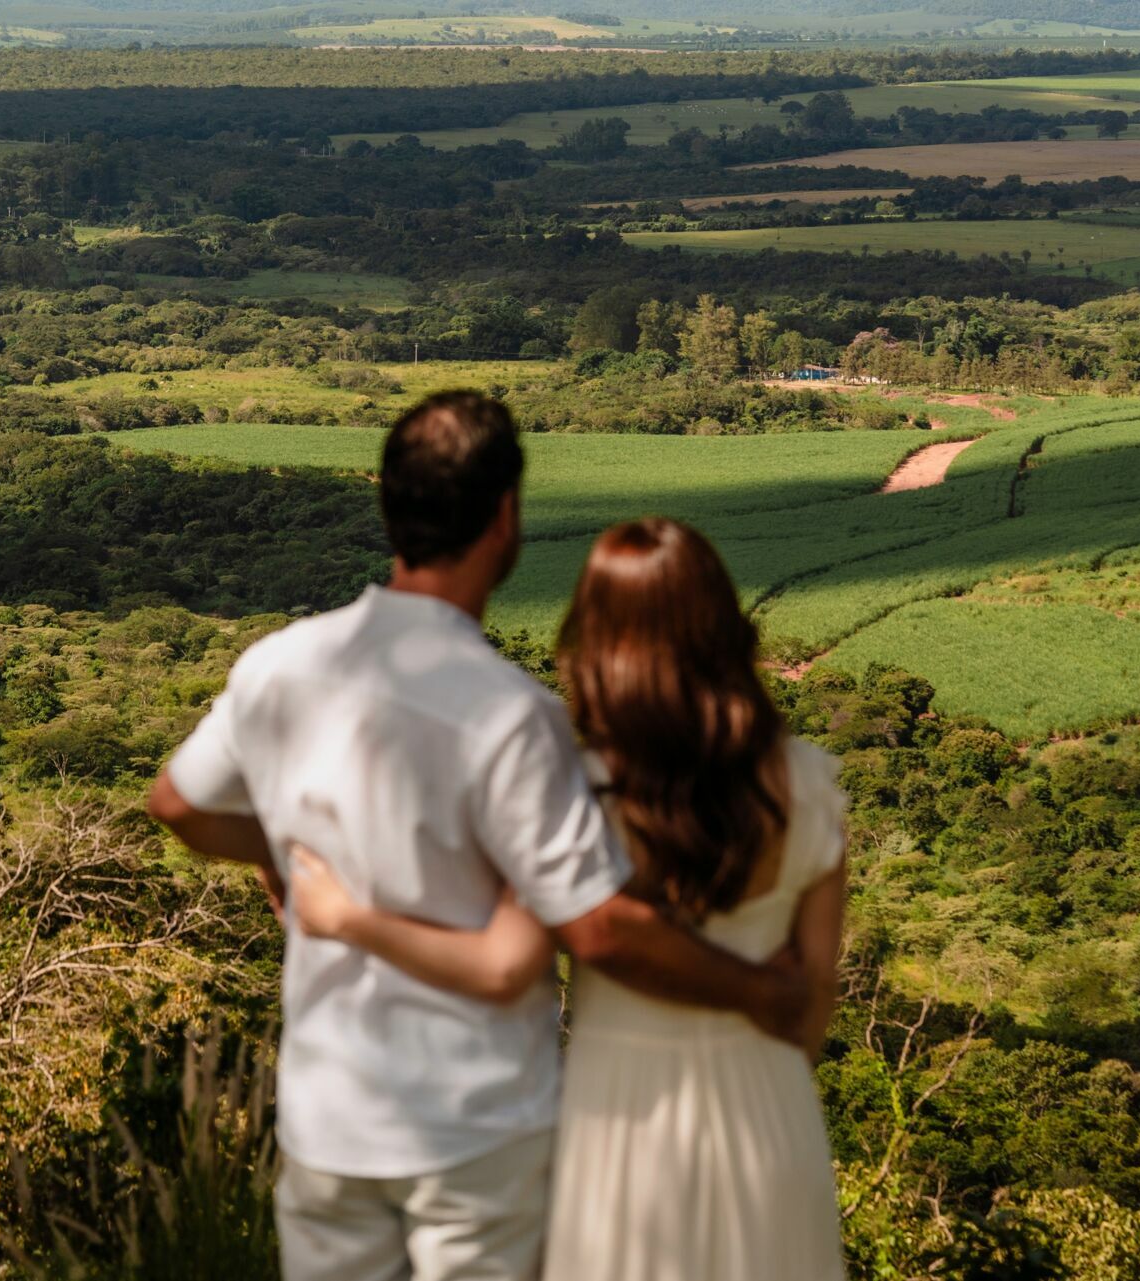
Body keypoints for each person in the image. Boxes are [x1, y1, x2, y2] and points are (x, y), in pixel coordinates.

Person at [149, 392, 808, 1281]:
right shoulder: (512, 715)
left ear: (391, 506)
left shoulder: (279, 666)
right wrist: (762, 987)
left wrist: (283, 852)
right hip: (476, 1125)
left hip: (331, 1109)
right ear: (504, 520)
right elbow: (594, 925)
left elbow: (177, 804)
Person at [288, 516, 850, 1281]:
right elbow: (813, 1003)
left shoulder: (575, 794)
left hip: (619, 1117)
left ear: (597, 641)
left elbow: (502, 959)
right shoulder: (813, 785)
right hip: (771, 1114)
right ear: (723, 625)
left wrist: (345, 915)